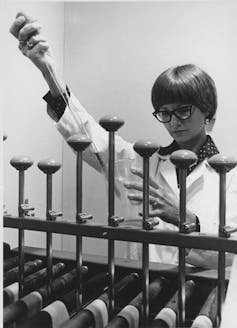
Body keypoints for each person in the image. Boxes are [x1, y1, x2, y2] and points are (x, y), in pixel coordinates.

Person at [10, 12, 237, 268]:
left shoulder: (231, 179)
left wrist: (187, 219)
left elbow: (231, 256)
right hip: (137, 295)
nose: (173, 122)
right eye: (165, 113)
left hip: (203, 299)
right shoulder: (140, 163)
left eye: (183, 110)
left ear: (207, 110)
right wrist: (47, 68)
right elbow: (87, 134)